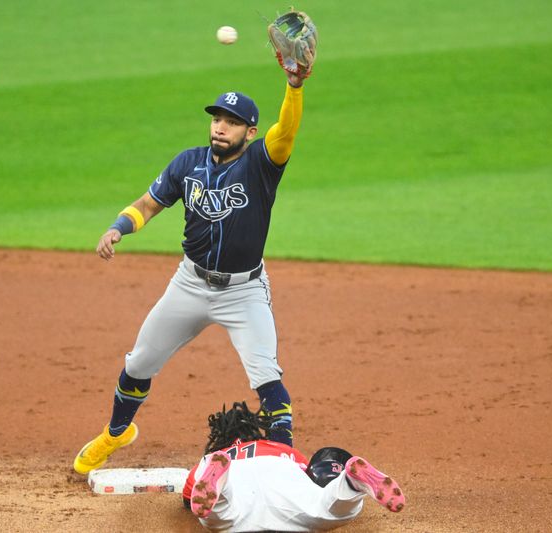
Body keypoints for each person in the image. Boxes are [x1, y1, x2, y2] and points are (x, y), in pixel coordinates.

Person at [72, 49, 311, 475]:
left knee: (267, 380)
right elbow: (147, 205)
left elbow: (287, 131)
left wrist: (294, 87)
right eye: (217, 118)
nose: (221, 127)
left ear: (250, 131)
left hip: (243, 291)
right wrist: (117, 228)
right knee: (138, 364)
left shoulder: (262, 162)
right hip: (190, 284)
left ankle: (287, 470)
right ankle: (116, 433)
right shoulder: (188, 163)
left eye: (232, 122)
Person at [182, 402, 405, 532]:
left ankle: (221, 483)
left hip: (235, 475)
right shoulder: (282, 449)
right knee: (323, 507)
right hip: (284, 472)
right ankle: (350, 483)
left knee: (219, 516)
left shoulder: (220, 455)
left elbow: (188, 496)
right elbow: (313, 479)